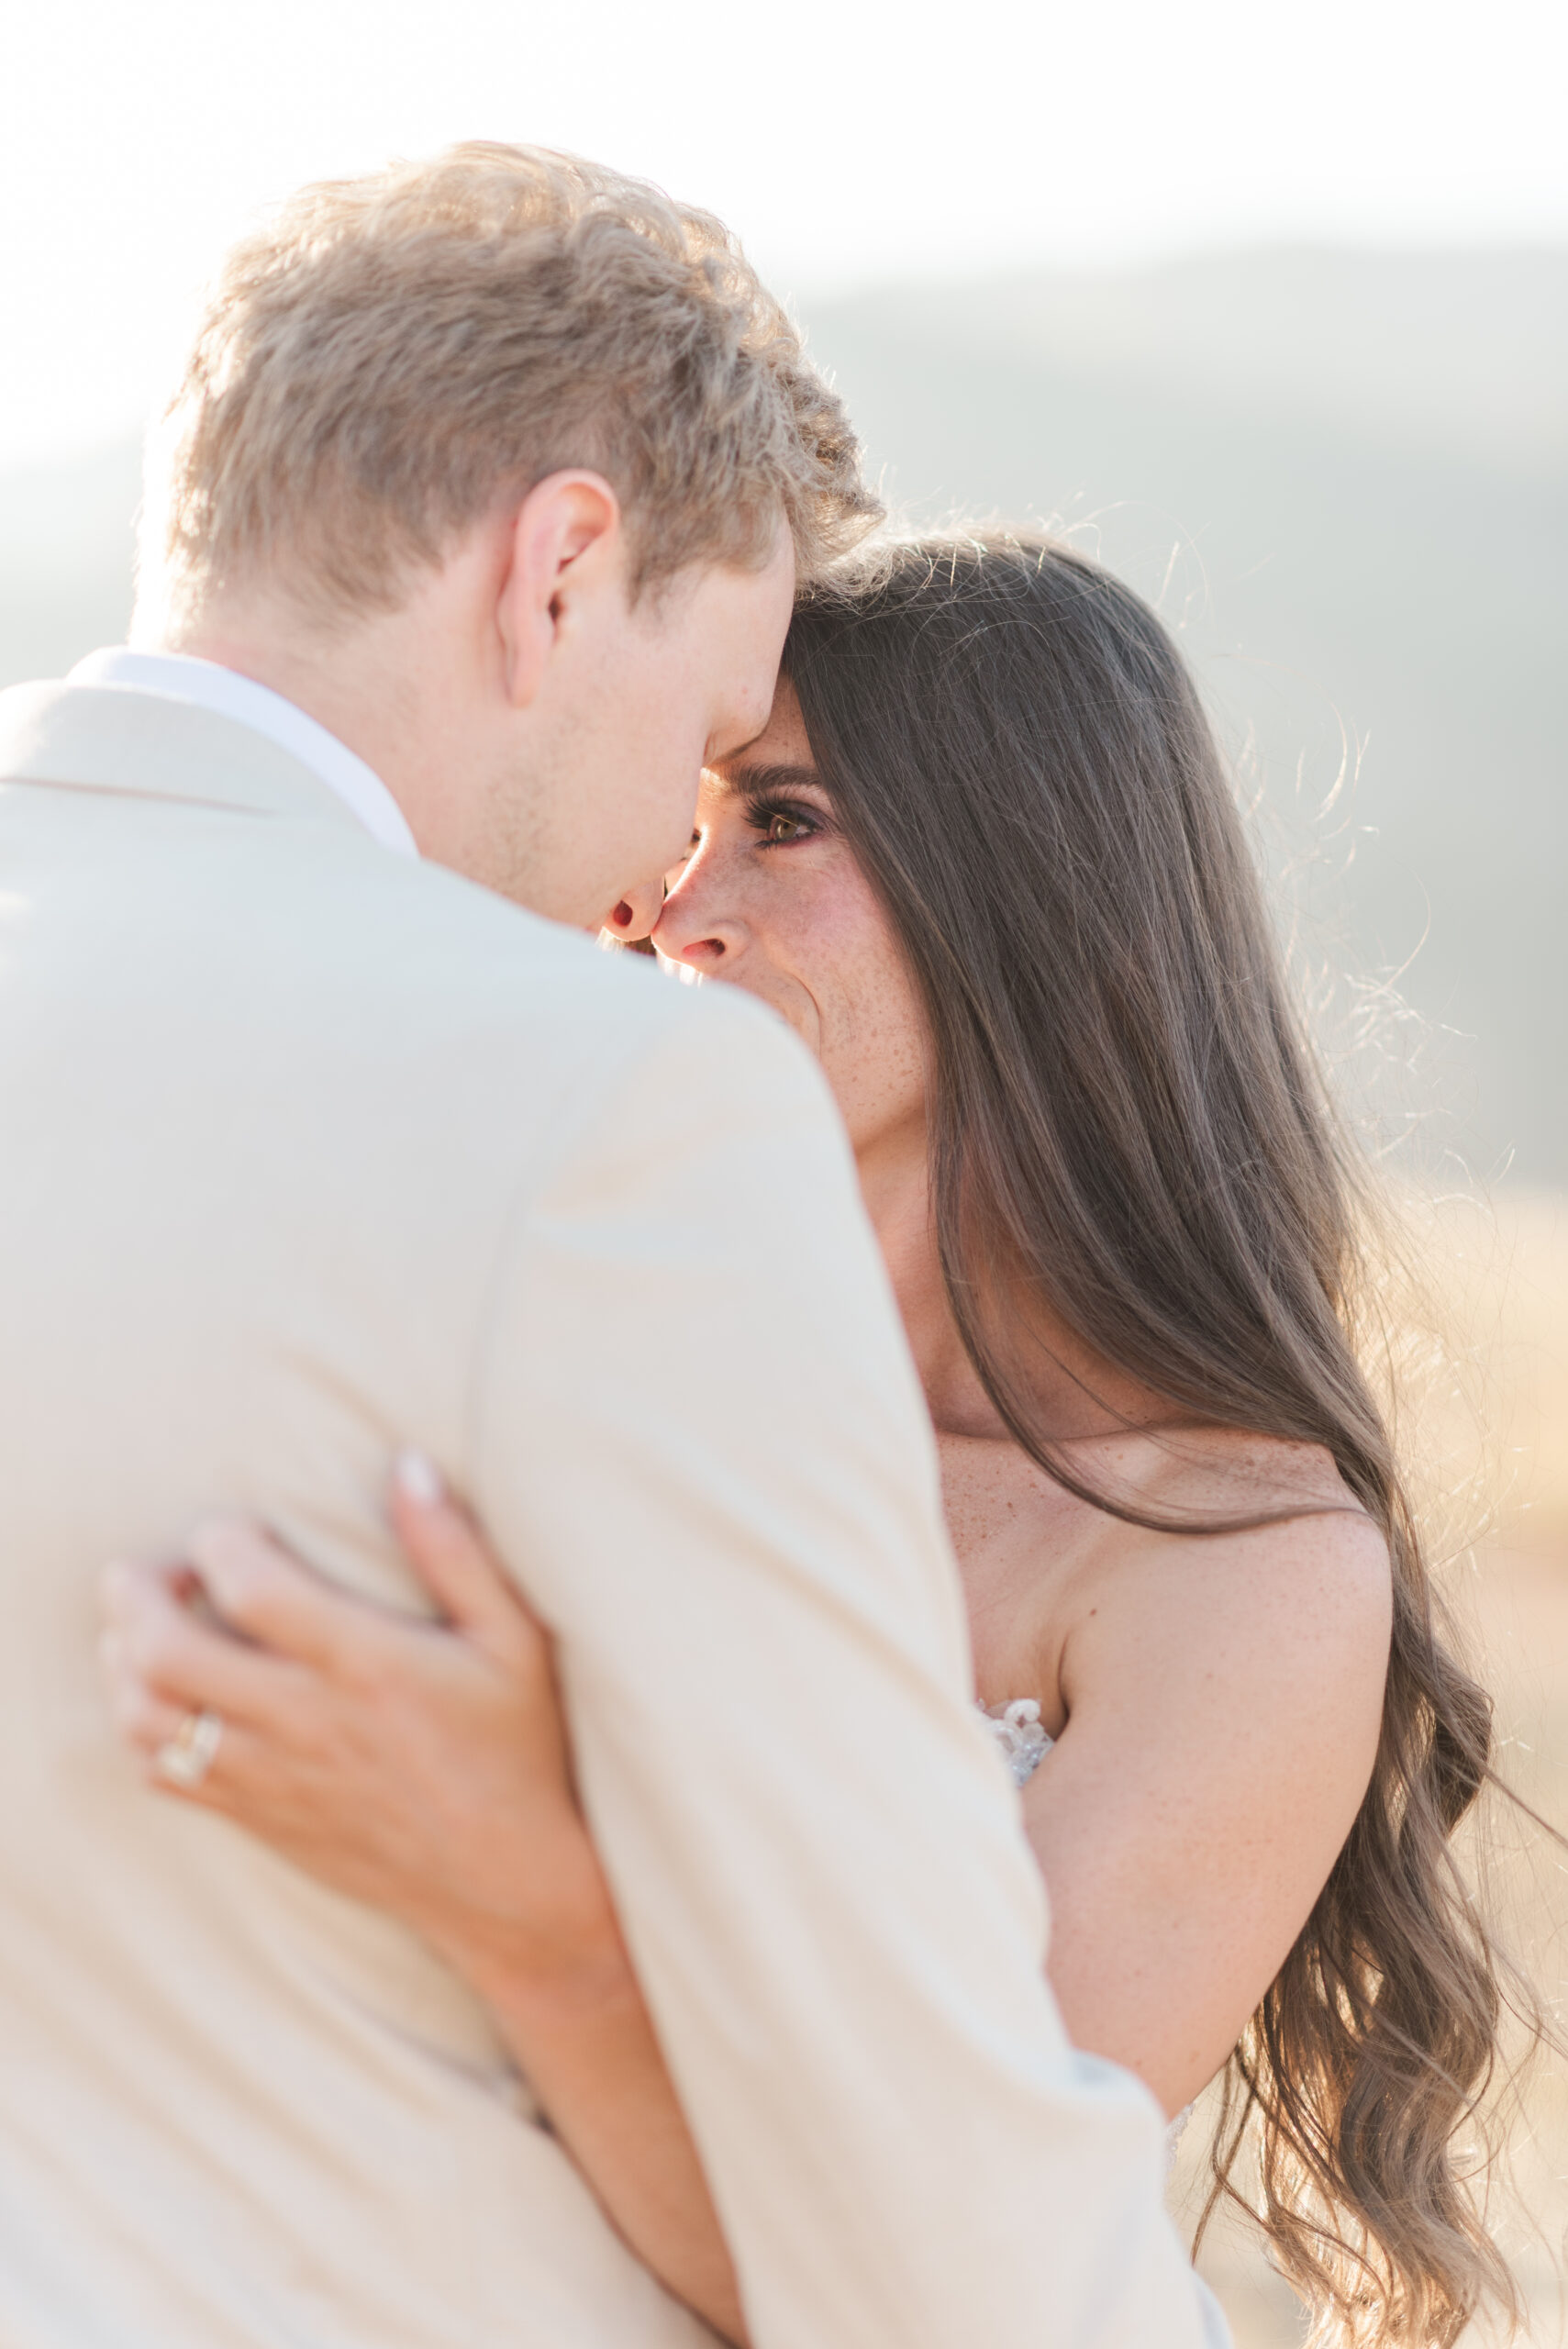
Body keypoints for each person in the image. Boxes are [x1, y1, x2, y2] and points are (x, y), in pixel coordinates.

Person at [0, 148, 1227, 2349]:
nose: (666, 858)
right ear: (560, 568)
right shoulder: (602, 1104)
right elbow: (940, 2199)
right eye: (703, 723)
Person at [106, 533, 1523, 2349]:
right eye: (678, 826)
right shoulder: (568, 1365)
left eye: (780, 822)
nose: (668, 903)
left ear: (1033, 882)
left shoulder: (1235, 1566)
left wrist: (526, 1898)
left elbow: (929, 2267)